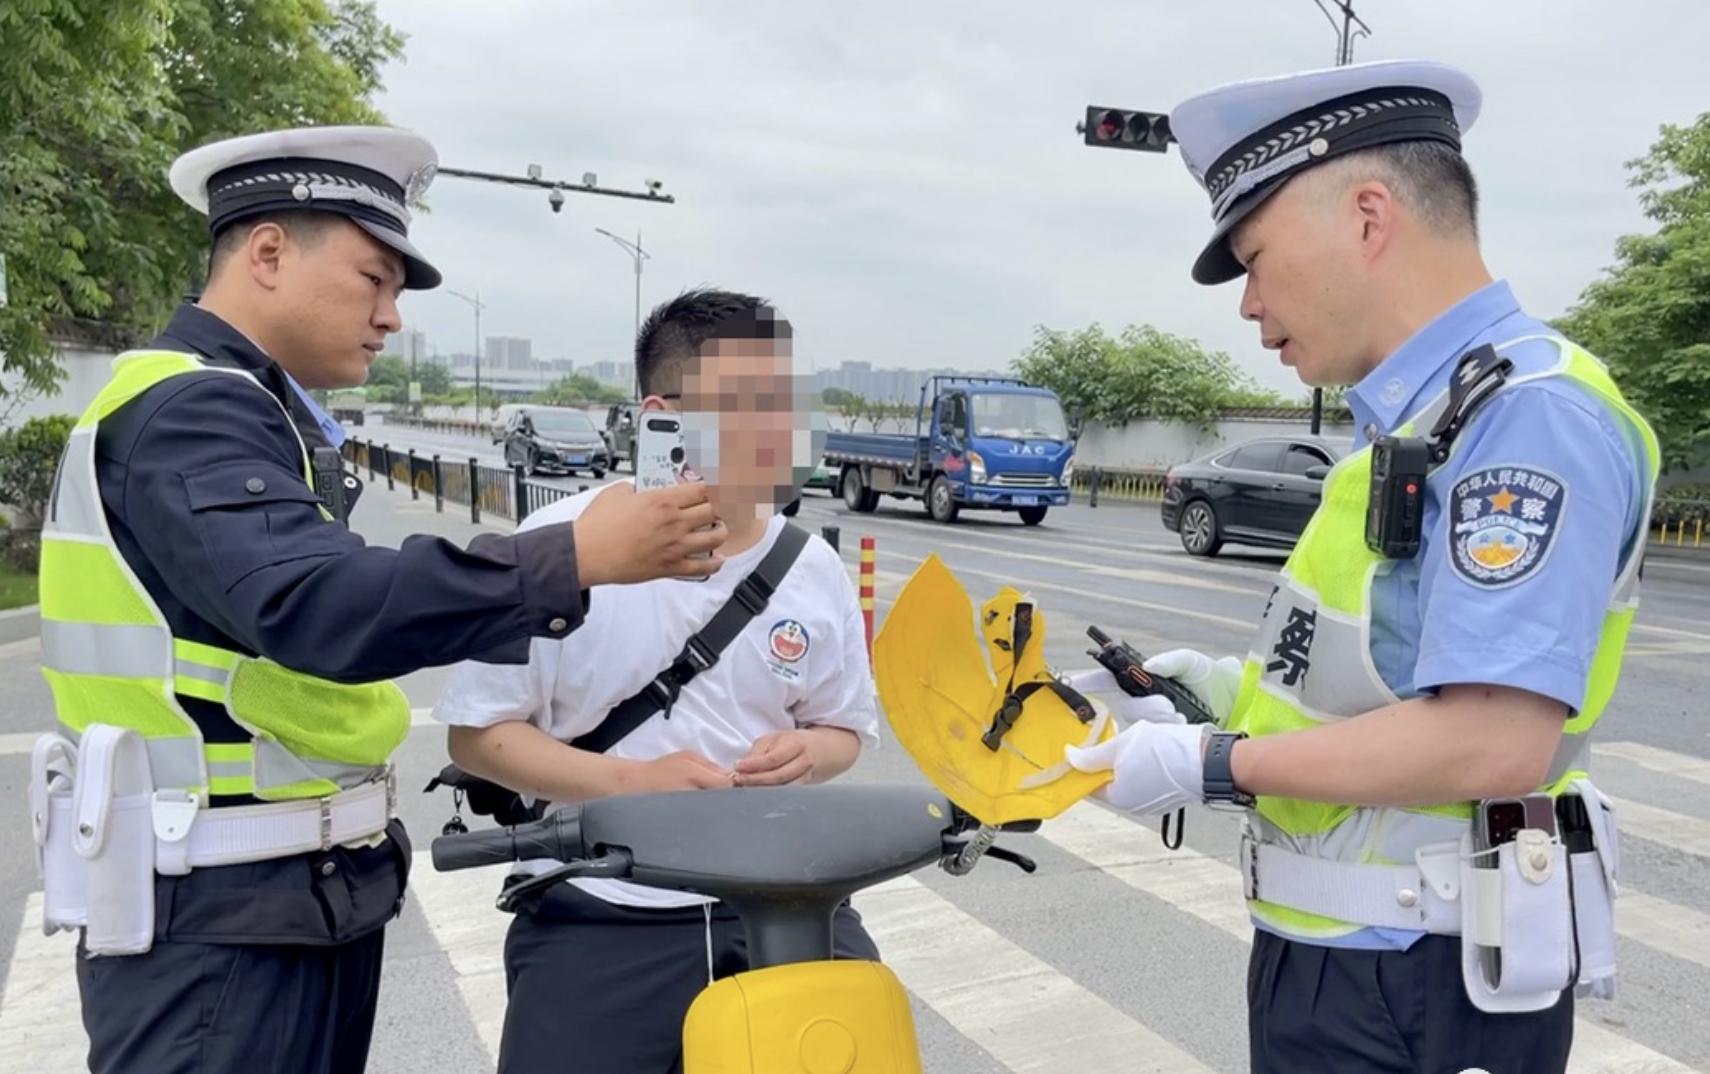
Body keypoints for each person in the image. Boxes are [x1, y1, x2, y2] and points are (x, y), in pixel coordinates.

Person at [33, 126, 726, 1074]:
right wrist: (569, 557)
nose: (392, 315)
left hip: (275, 900)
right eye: (375, 279)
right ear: (269, 251)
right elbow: (315, 602)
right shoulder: (192, 408)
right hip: (219, 921)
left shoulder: (252, 408)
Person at [1061, 60, 1657, 1074]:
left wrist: (1211, 766)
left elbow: (1490, 742)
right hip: (1355, 970)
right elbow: (1369, 682)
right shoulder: (1421, 425)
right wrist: (1206, 697)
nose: (1249, 306)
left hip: (1420, 981)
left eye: (1255, 257)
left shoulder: (1528, 420)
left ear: (1369, 218)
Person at [432, 288, 881, 1074]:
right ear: (661, 413)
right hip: (599, 911)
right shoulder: (553, 549)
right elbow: (479, 735)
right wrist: (633, 781)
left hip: (781, 904)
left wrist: (810, 754)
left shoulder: (811, 568)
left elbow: (844, 729)